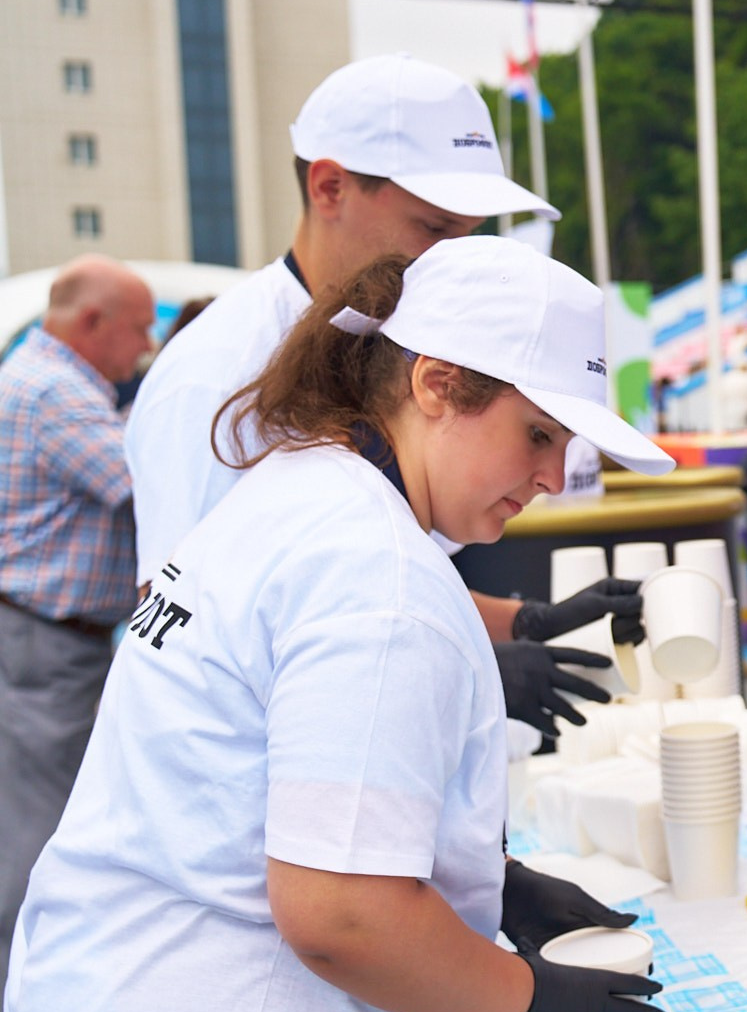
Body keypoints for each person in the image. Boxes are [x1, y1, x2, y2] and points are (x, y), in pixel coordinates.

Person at [2, 236, 678, 1012]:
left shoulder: (299, 490)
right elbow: (343, 915)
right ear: (437, 383)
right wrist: (521, 995)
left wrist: (486, 886)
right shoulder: (378, 575)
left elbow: (253, 789)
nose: (551, 476)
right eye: (536, 433)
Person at [123, 53, 634, 745]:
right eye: (434, 228)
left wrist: (519, 622)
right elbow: (194, 639)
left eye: (472, 232)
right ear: (329, 186)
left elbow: (366, 584)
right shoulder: (217, 375)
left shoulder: (388, 344)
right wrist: (471, 665)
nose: (456, 256)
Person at [0, 256, 155, 996]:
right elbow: (141, 482)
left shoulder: (42, 378)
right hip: (48, 643)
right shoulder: (57, 392)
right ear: (92, 324)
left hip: (44, 637)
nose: (145, 350)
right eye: (139, 332)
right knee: (35, 838)